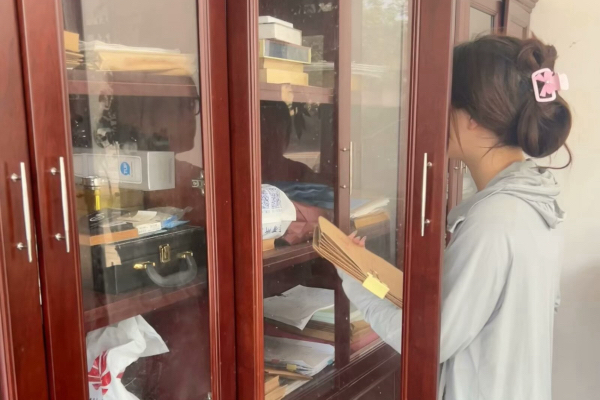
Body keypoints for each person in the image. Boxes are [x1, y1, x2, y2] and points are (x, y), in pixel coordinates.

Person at [338, 34, 572, 400]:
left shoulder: (494, 221)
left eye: (443, 101)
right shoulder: (540, 202)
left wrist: (356, 281)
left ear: (472, 118)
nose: (434, 114)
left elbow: (430, 343)